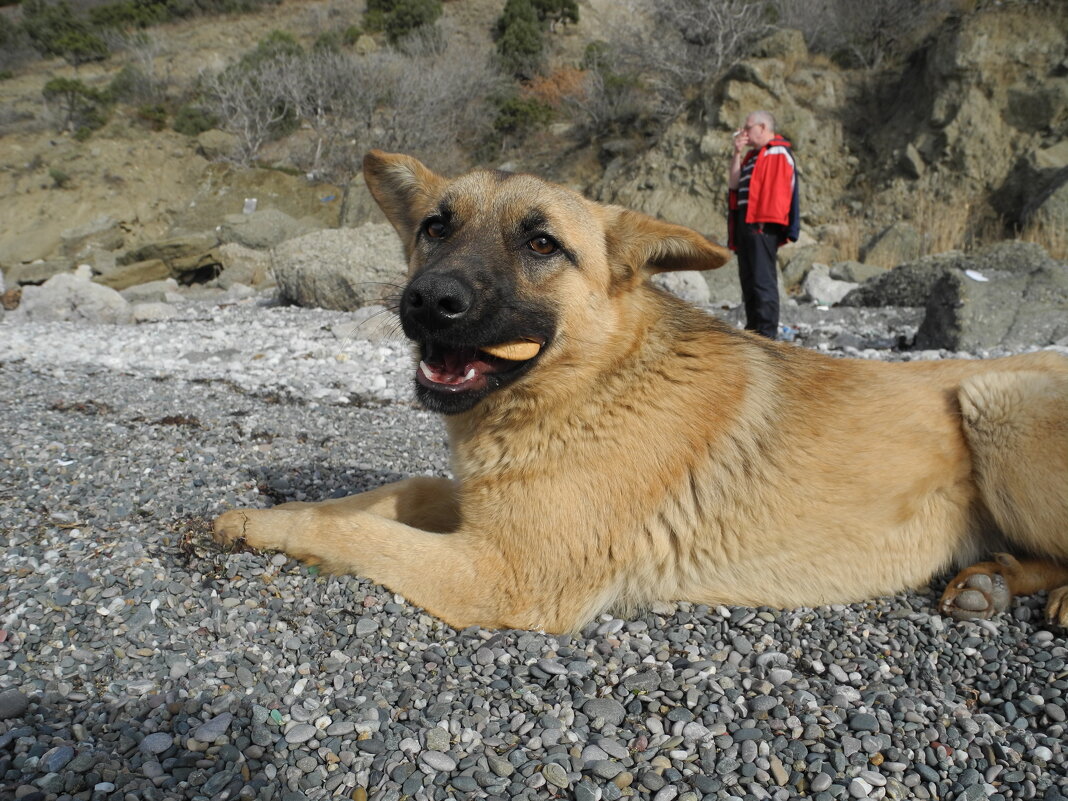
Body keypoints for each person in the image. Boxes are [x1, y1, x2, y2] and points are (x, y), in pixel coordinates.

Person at [727, 111, 800, 339]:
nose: (744, 132)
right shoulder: (751, 157)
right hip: (745, 224)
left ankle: (767, 334)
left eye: (748, 128)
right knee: (749, 282)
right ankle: (754, 332)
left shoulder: (777, 151)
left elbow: (781, 189)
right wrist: (737, 153)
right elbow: (734, 184)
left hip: (762, 224)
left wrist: (777, 223)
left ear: (762, 127)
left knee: (762, 281)